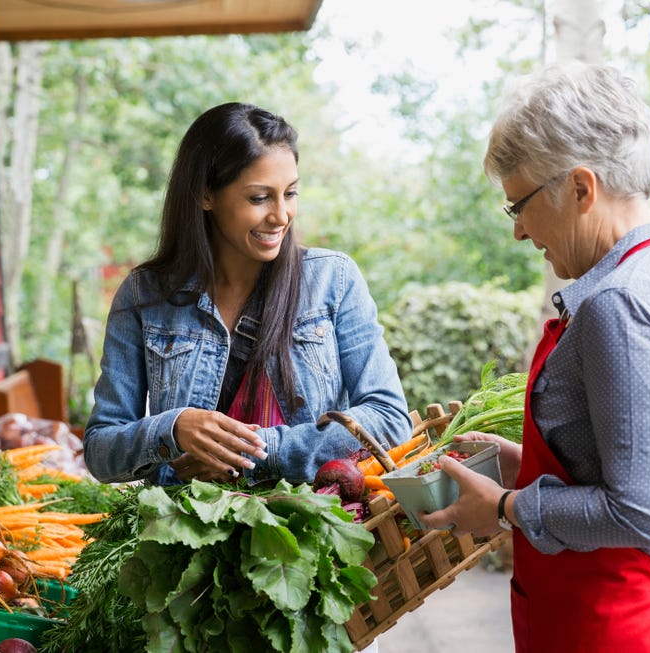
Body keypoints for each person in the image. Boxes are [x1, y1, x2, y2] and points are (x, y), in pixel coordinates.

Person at [419, 63, 650, 653]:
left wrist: (502, 507)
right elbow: (645, 470)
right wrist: (525, 462)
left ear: (580, 188)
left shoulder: (620, 303)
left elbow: (643, 513)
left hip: (627, 623)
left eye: (518, 204)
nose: (519, 231)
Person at [82, 102, 412, 489]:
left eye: (289, 194)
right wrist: (173, 429)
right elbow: (101, 451)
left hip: (314, 533)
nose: (281, 215)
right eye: (259, 198)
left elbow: (390, 420)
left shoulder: (332, 280)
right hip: (185, 538)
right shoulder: (144, 296)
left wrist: (258, 452)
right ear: (206, 195)